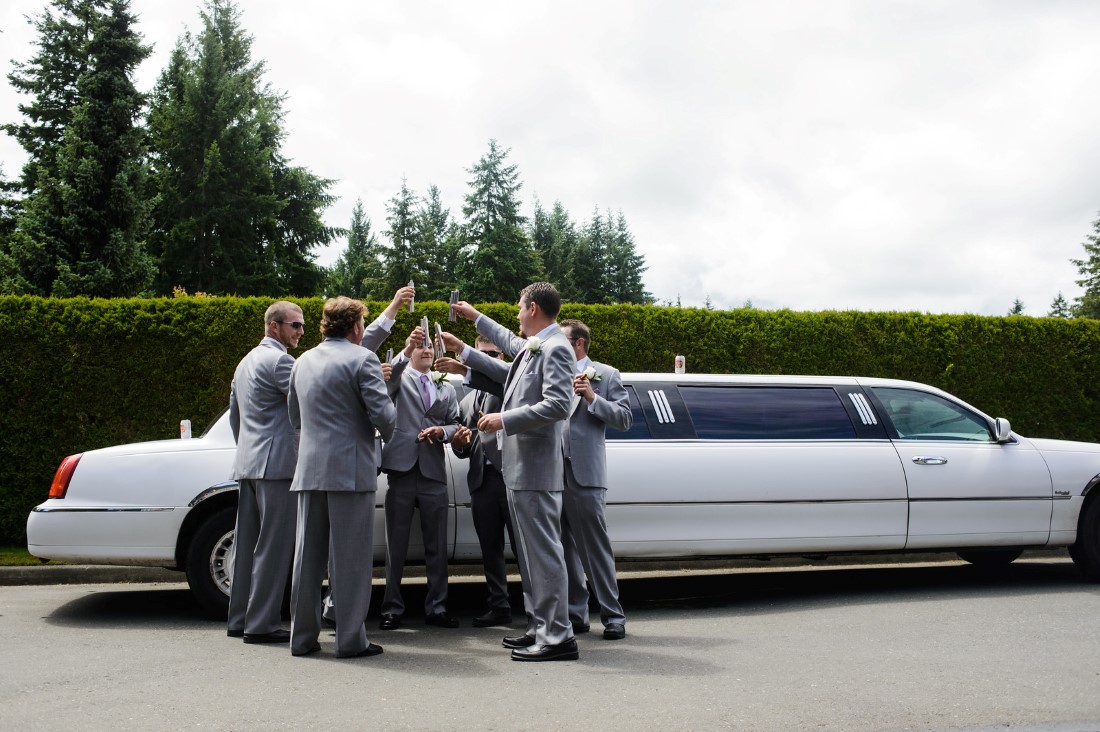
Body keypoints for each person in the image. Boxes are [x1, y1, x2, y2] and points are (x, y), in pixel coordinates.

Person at [452, 282, 579, 662]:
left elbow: (558, 405)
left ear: (534, 308)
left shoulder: (555, 347)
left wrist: (503, 419)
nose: (517, 314)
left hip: (536, 468)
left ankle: (558, 637)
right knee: (530, 555)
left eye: (520, 307)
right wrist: (473, 318)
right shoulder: (536, 344)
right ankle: (540, 626)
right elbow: (508, 341)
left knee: (544, 554)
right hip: (520, 468)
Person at [287, 296, 396, 658]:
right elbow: (385, 418)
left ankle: (301, 638)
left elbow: (295, 418)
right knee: (349, 559)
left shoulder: (302, 361)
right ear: (355, 327)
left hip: (309, 469)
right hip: (349, 470)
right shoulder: (362, 358)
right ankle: (350, 640)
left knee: (307, 559)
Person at [226, 301, 305, 644]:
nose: (301, 331)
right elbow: (309, 402)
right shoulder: (280, 361)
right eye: (296, 325)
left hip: (249, 465)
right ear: (274, 327)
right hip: (277, 467)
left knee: (247, 546)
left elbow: (235, 417)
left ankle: (239, 618)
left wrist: (249, 450)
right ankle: (261, 624)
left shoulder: (244, 362)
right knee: (273, 547)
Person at [377, 328, 461, 630]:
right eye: (421, 346)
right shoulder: (400, 379)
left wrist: (443, 432)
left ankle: (437, 608)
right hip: (401, 469)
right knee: (395, 545)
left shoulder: (447, 388)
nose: (427, 350)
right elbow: (385, 388)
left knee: (437, 545)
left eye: (430, 346)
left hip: (433, 471)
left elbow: (454, 424)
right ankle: (391, 608)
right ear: (411, 350)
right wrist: (404, 350)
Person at [559, 319, 633, 640]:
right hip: (551, 473)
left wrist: (592, 398)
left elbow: (625, 418)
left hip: (585, 474)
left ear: (579, 344)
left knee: (595, 548)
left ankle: (613, 615)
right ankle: (577, 613)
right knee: (563, 549)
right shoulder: (550, 374)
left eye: (561, 341)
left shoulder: (606, 374)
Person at [442, 335, 517, 628]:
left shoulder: (509, 385)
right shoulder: (467, 397)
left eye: (492, 354)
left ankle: (539, 608)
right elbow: (463, 447)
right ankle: (499, 606)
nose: (487, 358)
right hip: (482, 481)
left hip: (510, 476)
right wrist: (459, 443)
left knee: (525, 548)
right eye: (480, 353)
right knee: (490, 549)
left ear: (501, 358)